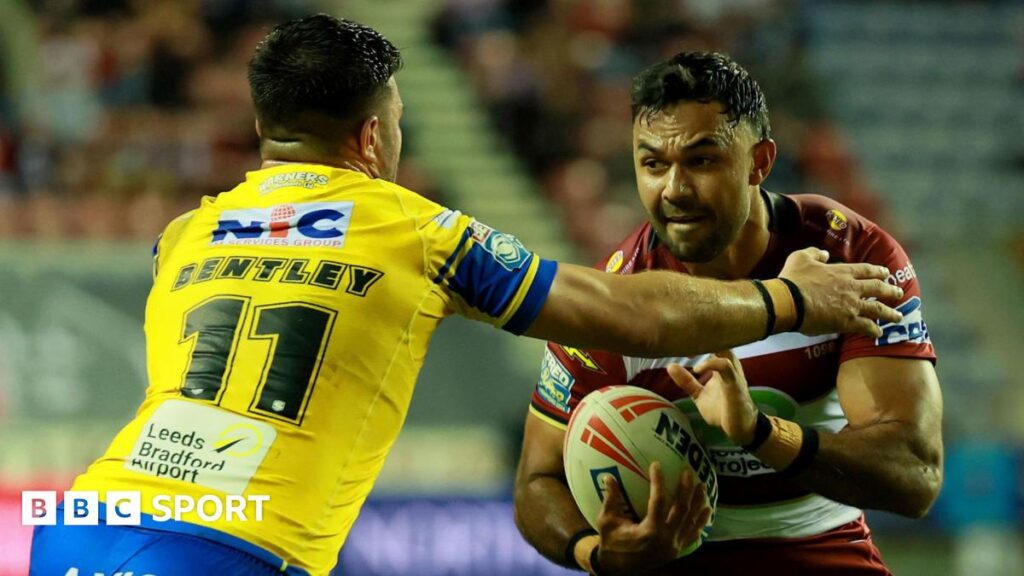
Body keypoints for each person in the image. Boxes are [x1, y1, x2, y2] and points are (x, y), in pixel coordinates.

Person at [29, 18, 903, 576]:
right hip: (231, 551)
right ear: (373, 133)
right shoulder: (416, 230)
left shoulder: (181, 233)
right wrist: (790, 302)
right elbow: (625, 311)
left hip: (83, 519)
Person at [515, 51, 943, 576]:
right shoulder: (614, 300)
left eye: (701, 160)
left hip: (820, 552)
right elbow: (537, 484)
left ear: (759, 161)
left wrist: (761, 433)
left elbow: (915, 475)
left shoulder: (851, 259)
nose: (673, 190)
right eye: (653, 164)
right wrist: (598, 554)